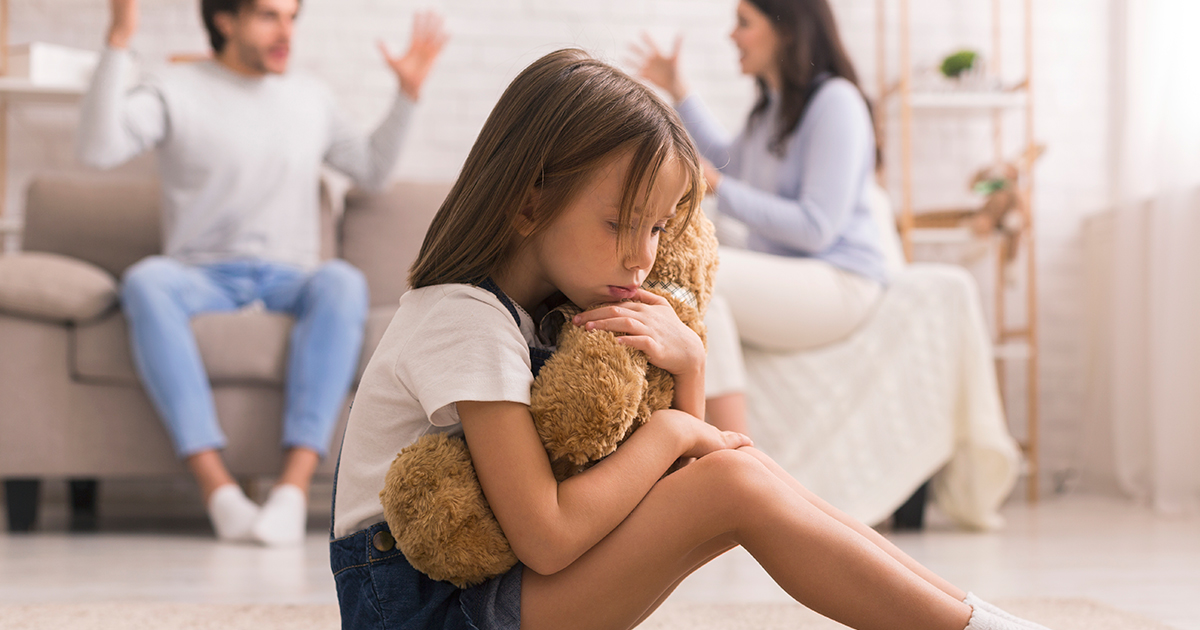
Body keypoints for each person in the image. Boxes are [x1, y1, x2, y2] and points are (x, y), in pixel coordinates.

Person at [329, 48, 1051, 630]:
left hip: (493, 596)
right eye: (620, 223)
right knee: (735, 480)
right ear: (528, 203)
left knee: (742, 472)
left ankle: (976, 618)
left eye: (656, 227)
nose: (642, 256)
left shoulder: (548, 317)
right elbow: (548, 536)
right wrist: (677, 428)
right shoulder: (464, 318)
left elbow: (674, 482)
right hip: (429, 613)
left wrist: (692, 366)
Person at [75, 0, 447, 545]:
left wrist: (408, 94)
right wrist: (120, 35)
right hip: (199, 274)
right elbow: (97, 147)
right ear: (225, 20)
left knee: (342, 282)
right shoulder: (175, 88)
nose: (286, 32)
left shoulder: (310, 97)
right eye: (269, 16)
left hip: (288, 276)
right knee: (146, 281)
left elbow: (372, 170)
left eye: (292, 18)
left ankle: (291, 491)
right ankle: (219, 491)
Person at [632, 0, 888, 435]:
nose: (732, 35)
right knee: (695, 272)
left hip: (844, 279)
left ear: (786, 29)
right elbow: (726, 160)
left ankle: (735, 453)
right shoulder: (771, 110)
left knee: (707, 279)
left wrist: (718, 185)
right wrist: (679, 90)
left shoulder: (837, 102)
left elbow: (816, 228)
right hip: (796, 270)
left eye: (744, 22)